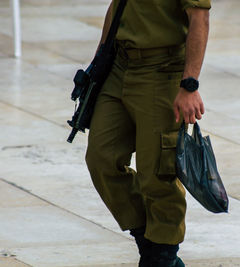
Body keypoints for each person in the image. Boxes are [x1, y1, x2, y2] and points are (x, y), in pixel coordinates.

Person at [85, 1, 210, 266]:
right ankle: (150, 245)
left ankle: (162, 256)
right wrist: (100, 60)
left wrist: (189, 84)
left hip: (161, 71)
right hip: (119, 66)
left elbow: (199, 17)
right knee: (101, 158)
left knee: (157, 173)